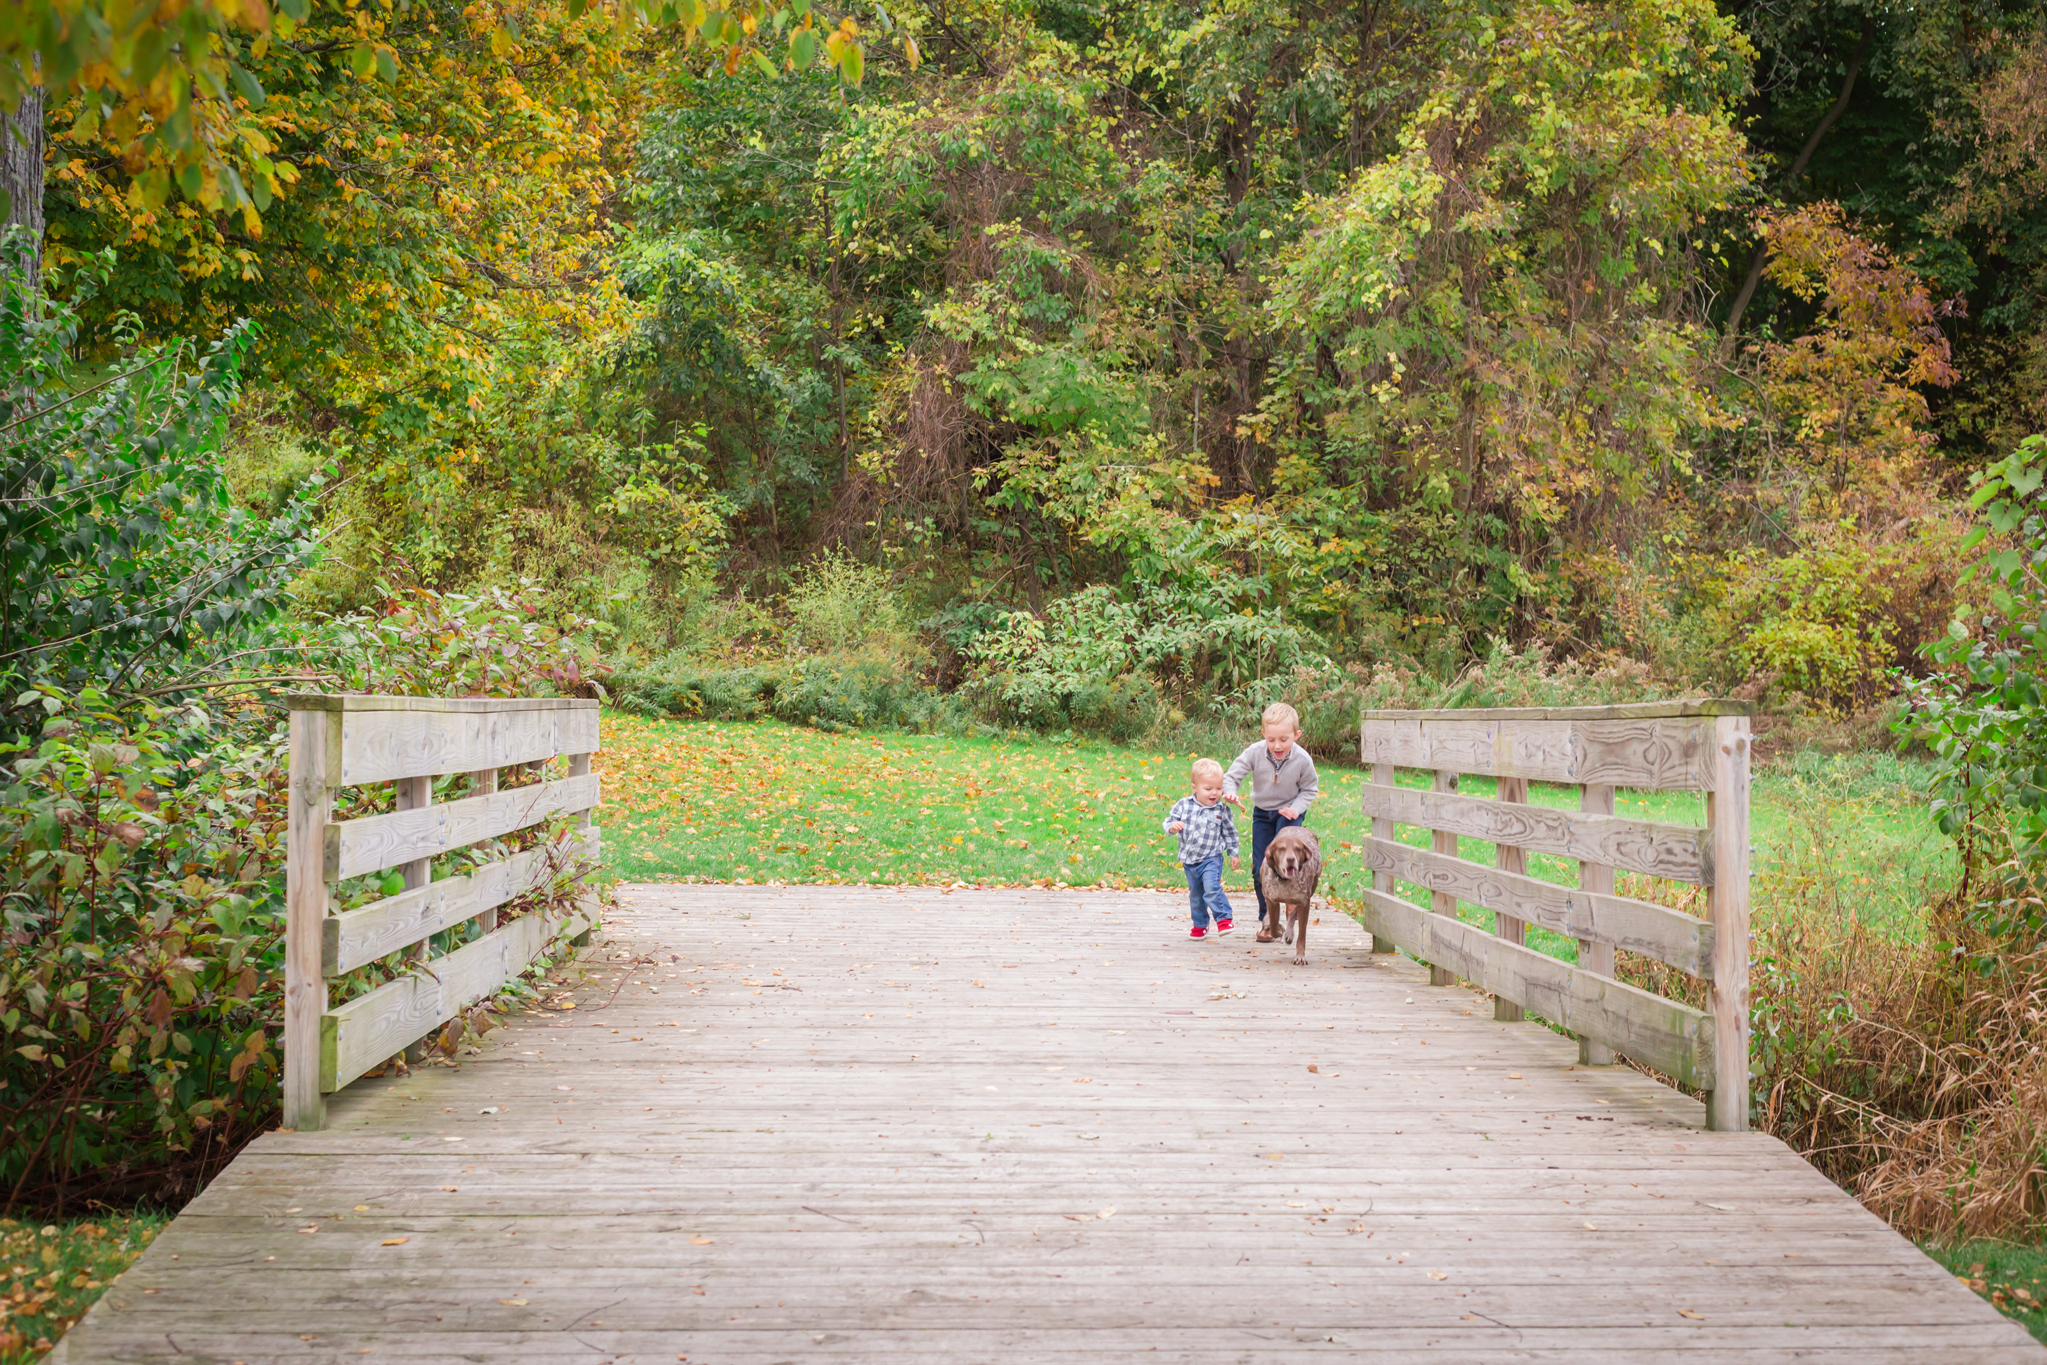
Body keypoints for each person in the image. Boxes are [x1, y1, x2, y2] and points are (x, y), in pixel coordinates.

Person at [1224, 702, 1320, 942]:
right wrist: (1230, 792)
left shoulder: (1302, 759)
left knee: (1289, 859)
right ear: (1263, 734)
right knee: (1261, 867)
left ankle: (1292, 903)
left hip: (1289, 815)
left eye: (1284, 740)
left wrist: (1295, 809)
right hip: (1262, 814)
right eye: (1271, 739)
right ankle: (1268, 918)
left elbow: (1310, 789)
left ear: (1296, 735)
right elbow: (1232, 776)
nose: (1277, 745)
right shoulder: (1255, 752)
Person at [1163, 757, 1240, 939]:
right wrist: (1172, 827)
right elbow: (1169, 821)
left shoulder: (1221, 810)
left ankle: (1224, 919)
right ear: (1194, 788)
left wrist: (1233, 854)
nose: (1214, 793)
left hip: (1211, 858)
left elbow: (1230, 833)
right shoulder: (1183, 805)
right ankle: (1200, 925)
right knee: (1196, 895)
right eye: (1208, 789)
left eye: (1219, 788)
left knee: (1211, 888)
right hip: (1189, 860)